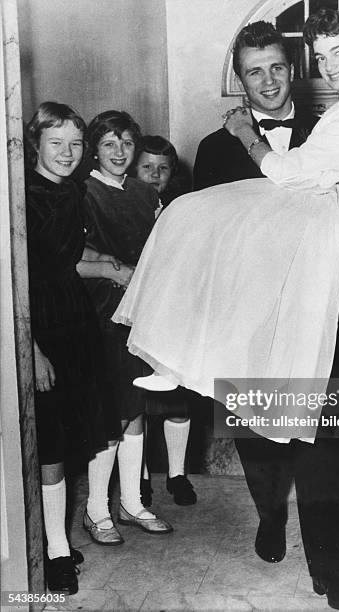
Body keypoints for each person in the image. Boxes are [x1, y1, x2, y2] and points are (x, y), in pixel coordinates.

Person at [113, 10, 339, 611]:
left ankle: (330, 572)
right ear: (240, 80)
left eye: (275, 68)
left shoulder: (335, 118)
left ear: (294, 70)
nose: (267, 81)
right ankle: (268, 517)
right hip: (250, 332)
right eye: (252, 73)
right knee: (262, 445)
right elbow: (214, 248)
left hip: (325, 323)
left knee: (324, 453)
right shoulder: (215, 149)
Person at [25, 102, 122, 594]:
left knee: (78, 430)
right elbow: (19, 278)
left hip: (74, 319)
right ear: (36, 144)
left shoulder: (70, 192)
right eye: (56, 143)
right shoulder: (25, 196)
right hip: (39, 326)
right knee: (53, 445)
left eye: (75, 144)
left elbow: (66, 260)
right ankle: (56, 554)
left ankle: (60, 539)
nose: (67, 153)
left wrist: (106, 262)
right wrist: (32, 349)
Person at [77, 111, 173, 546]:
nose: (119, 152)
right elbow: (75, 254)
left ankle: (131, 502)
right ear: (95, 148)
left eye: (127, 144)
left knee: (136, 406)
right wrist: (117, 272)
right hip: (102, 312)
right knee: (111, 413)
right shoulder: (83, 192)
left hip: (143, 310)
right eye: (110, 143)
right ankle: (96, 509)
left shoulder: (140, 192)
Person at [132, 136, 197, 505]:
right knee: (135, 403)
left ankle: (177, 474)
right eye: (147, 167)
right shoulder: (125, 202)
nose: (155, 175)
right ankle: (139, 478)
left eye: (163, 168)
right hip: (137, 310)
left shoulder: (181, 206)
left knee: (177, 398)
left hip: (175, 311)